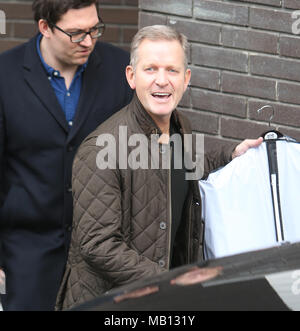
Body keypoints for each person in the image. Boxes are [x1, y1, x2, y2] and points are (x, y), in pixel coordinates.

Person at [55, 25, 263, 310]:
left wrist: (233, 153)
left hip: (163, 301)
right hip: (111, 304)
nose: (162, 81)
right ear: (131, 77)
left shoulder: (181, 128)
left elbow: (186, 166)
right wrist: (172, 280)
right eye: (150, 69)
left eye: (172, 70)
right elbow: (99, 245)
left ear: (186, 78)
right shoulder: (100, 149)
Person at [0, 0, 133, 311]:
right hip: (27, 255)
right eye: (76, 33)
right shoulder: (4, 76)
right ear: (45, 27)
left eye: (94, 29)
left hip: (102, 255)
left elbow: (156, 145)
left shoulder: (121, 69)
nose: (88, 41)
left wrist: (226, 154)